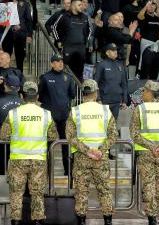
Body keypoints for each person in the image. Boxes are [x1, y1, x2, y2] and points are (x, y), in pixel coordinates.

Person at [0, 81, 58, 225]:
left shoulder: (13, 114)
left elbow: (3, 135)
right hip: (38, 160)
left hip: (17, 160)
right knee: (37, 193)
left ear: (22, 96)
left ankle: (15, 221)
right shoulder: (46, 114)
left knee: (16, 193)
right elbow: (53, 136)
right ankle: (37, 220)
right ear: (37, 96)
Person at [66, 79, 118, 225]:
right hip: (101, 158)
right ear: (96, 93)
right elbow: (113, 135)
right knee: (104, 191)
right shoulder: (106, 111)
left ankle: (81, 221)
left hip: (82, 158)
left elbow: (70, 137)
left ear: (83, 94)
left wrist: (87, 151)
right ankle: (108, 221)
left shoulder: (75, 111)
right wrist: (100, 150)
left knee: (81, 192)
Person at [130, 81, 159, 225]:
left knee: (148, 187)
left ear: (150, 93)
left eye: (144, 91)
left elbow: (134, 133)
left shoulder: (140, 109)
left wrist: (151, 147)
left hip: (146, 154)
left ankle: (152, 219)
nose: (142, 93)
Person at [38, 54, 76, 175]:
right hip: (50, 116)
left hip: (64, 115)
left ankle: (68, 171)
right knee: (48, 143)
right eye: (57, 61)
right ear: (52, 63)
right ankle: (47, 171)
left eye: (61, 62)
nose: (60, 63)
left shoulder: (68, 77)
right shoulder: (45, 77)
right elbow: (41, 95)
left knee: (65, 143)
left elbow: (72, 94)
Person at [95, 43, 130, 120]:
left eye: (116, 50)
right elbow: (95, 83)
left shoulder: (121, 66)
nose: (115, 52)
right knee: (103, 125)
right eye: (113, 50)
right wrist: (98, 99)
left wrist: (125, 101)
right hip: (104, 101)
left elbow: (124, 85)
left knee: (113, 126)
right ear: (107, 53)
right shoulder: (101, 65)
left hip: (117, 101)